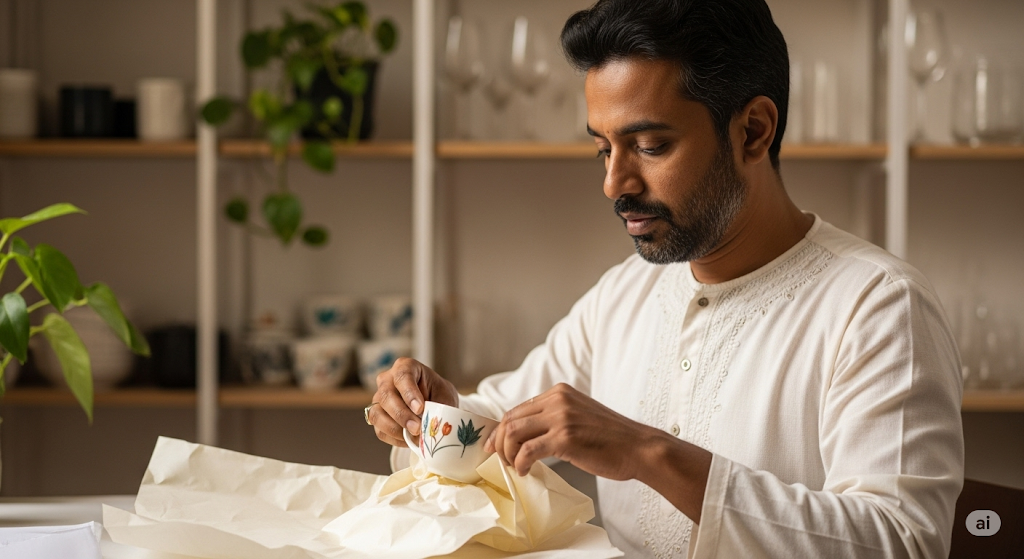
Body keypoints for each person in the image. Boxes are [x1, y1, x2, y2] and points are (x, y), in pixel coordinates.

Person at [364, 0, 964, 557]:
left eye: (649, 145)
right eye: (604, 150)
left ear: (753, 130)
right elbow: (500, 421)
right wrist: (434, 414)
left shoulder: (878, 307)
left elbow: (903, 540)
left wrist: (646, 453)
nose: (614, 184)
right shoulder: (626, 293)